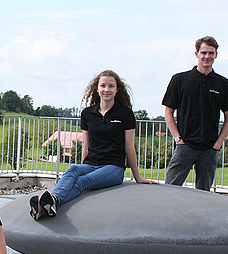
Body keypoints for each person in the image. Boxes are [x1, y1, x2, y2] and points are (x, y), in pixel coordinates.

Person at [29, 70, 156, 220]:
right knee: (74, 169)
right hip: (92, 164)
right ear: (97, 88)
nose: (107, 89)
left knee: (83, 181)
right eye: (103, 85)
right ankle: (50, 201)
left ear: (117, 89)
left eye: (111, 86)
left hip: (113, 167)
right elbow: (86, 146)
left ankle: (53, 201)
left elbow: (129, 147)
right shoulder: (87, 114)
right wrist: (84, 167)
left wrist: (138, 177)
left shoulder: (125, 113)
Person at [163, 36, 228, 191]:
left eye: (211, 53)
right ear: (196, 53)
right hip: (185, 146)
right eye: (203, 52)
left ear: (216, 55)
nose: (207, 56)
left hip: (209, 149)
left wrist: (217, 144)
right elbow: (168, 113)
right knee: (169, 190)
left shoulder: (223, 84)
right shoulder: (179, 80)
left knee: (204, 195)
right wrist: (178, 138)